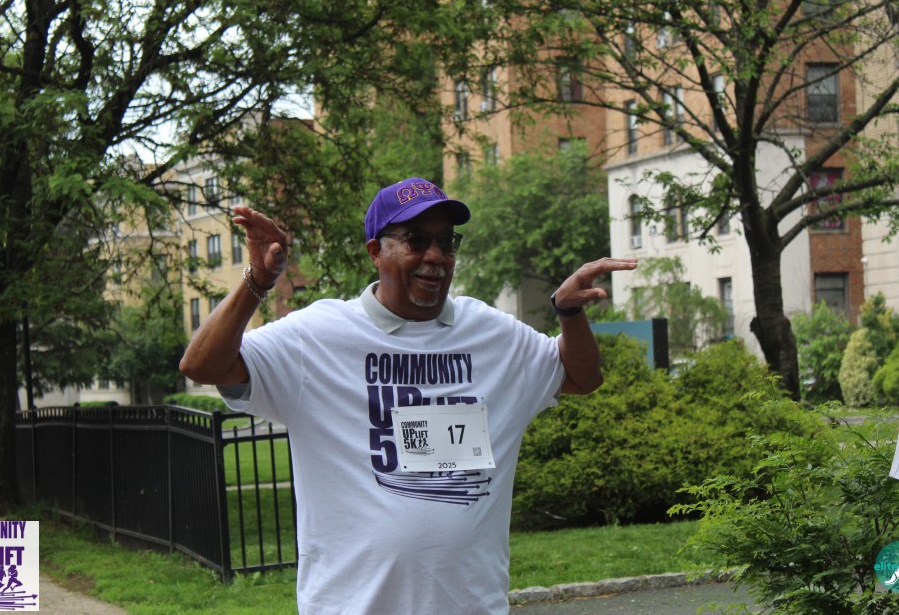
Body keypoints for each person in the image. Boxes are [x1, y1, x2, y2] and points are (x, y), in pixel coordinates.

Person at [180, 177, 637, 615]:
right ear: (376, 251)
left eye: (447, 242)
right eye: (416, 240)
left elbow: (581, 377)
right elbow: (202, 365)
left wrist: (568, 314)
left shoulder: (492, 334)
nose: (435, 256)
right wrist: (259, 280)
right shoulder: (317, 336)